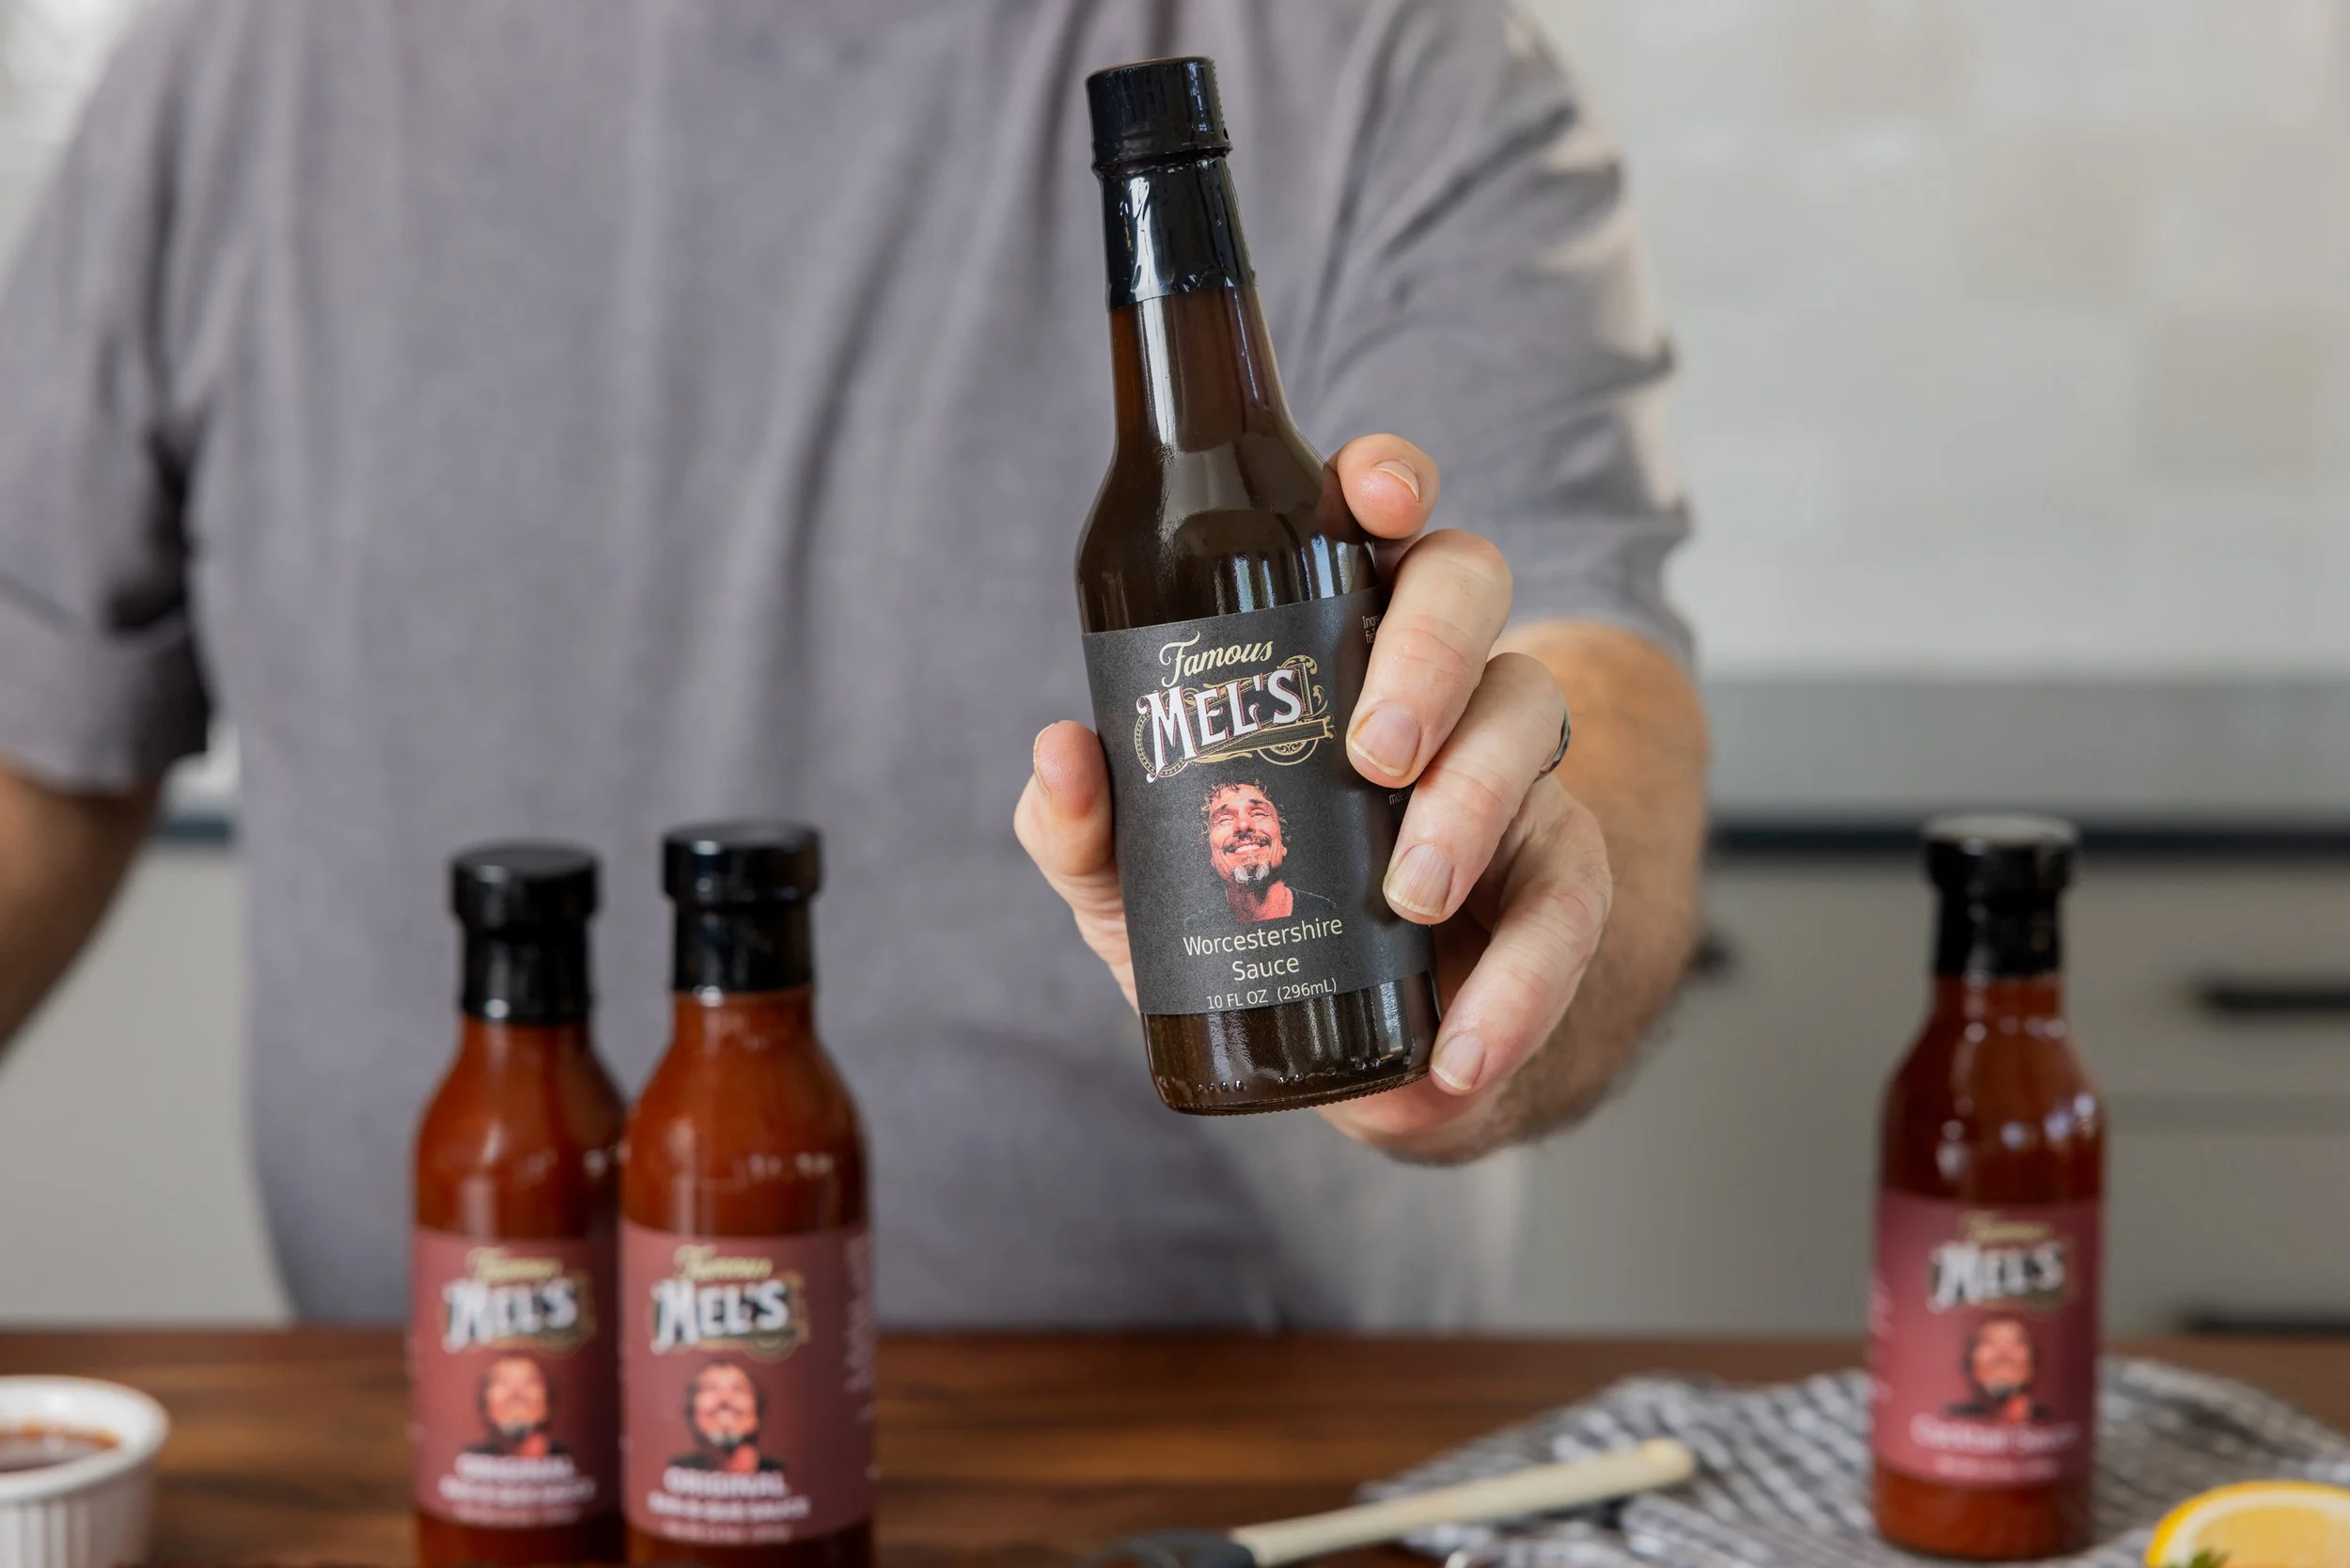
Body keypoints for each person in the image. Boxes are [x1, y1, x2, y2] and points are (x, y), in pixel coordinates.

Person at [0, 0, 1706, 1327]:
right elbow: (29, 750)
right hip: (457, 1430)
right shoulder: (246, 64)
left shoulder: (1377, 57)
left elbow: (1582, 664)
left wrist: (1505, 901)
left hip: (1224, 1472)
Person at [1184, 778, 1338, 928]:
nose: (1243, 825)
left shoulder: (1326, 912)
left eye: (1258, 813)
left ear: (1283, 839)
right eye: (1224, 819)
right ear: (1210, 852)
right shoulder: (1194, 930)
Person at [670, 1361, 782, 1476]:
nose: (725, 1397)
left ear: (757, 1411)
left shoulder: (782, 1474)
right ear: (692, 1411)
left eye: (738, 1389)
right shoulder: (673, 1470)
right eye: (711, 1388)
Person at [1946, 1318, 2053, 1425]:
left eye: (2015, 1343)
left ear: (2033, 1363)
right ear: (1969, 1363)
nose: (2003, 1352)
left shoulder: (2052, 1419)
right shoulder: (1953, 1418)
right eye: (1989, 1342)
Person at [467, 1354, 572, 1462]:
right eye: (503, 1382)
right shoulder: (467, 1460)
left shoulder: (573, 1461)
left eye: (529, 1382)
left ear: (547, 1405)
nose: (517, 1392)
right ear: (485, 1406)